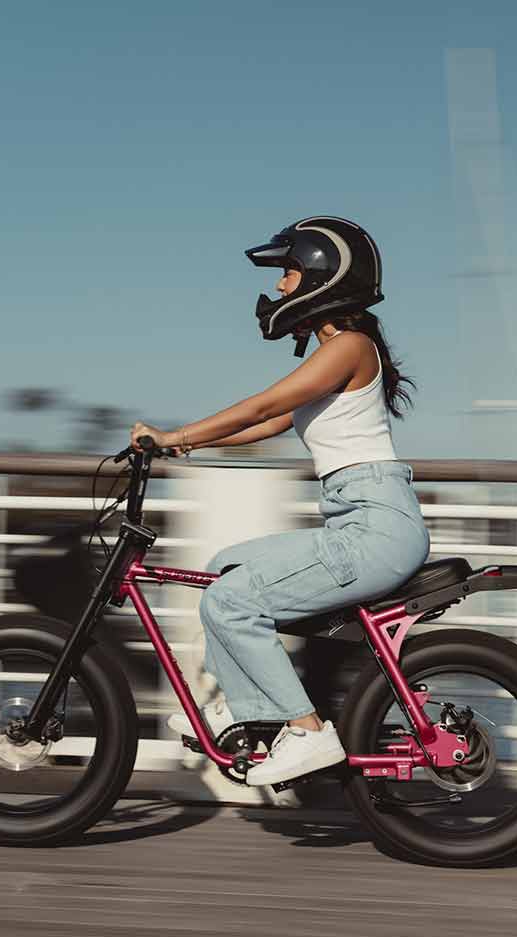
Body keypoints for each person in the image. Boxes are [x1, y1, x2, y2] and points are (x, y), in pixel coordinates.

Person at [129, 216, 430, 786]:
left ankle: (308, 733)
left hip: (375, 528)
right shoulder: (335, 358)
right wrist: (179, 448)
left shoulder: (348, 347)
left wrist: (176, 435)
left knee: (231, 603)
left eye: (289, 273)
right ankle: (252, 709)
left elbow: (261, 407)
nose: (281, 288)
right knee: (225, 571)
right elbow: (262, 428)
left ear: (323, 277)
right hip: (356, 521)